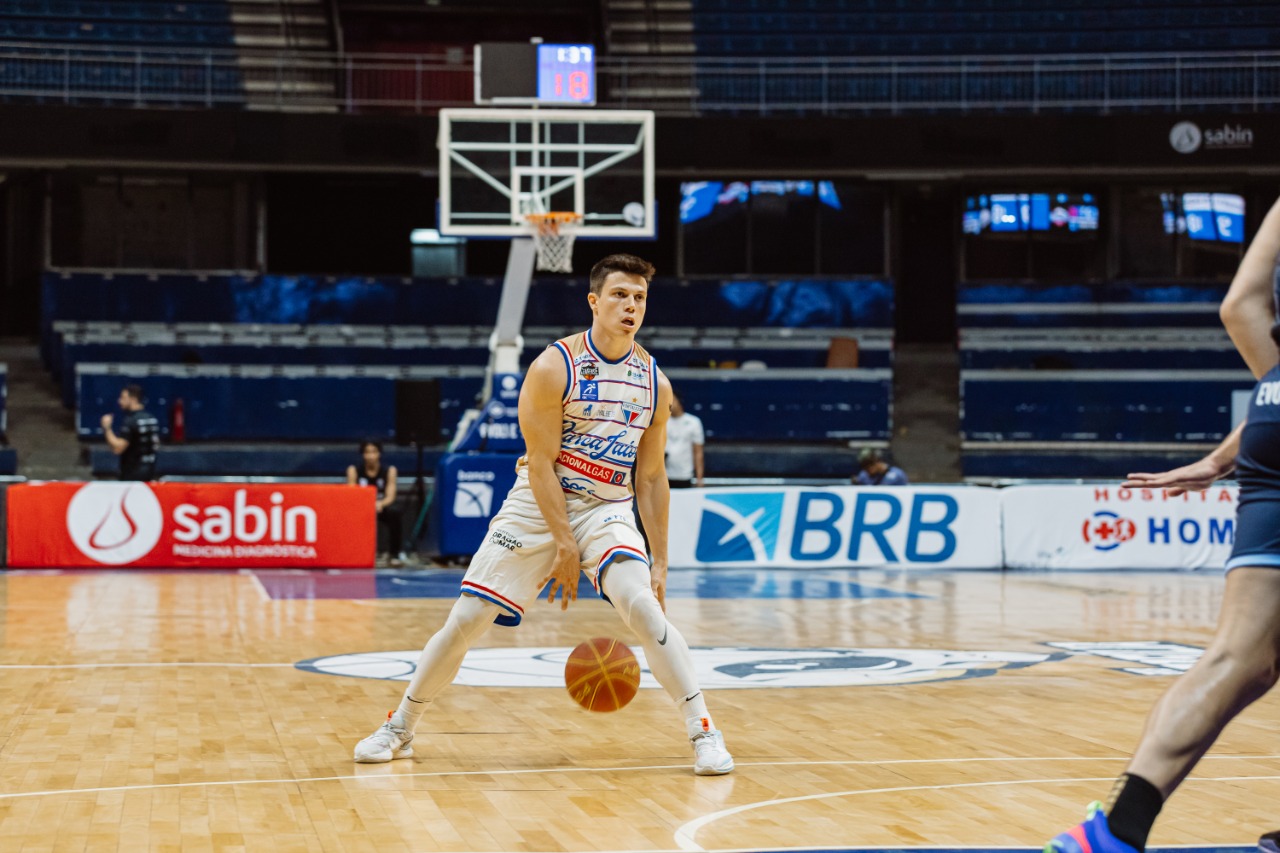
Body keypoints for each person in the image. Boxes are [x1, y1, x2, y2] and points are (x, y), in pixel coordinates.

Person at [353, 253, 734, 776]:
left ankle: (704, 732)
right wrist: (564, 544)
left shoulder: (655, 384)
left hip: (607, 507)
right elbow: (539, 466)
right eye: (620, 295)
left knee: (644, 608)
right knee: (467, 620)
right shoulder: (554, 367)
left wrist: (661, 560)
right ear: (594, 302)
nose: (631, 306)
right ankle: (400, 726)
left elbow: (650, 478)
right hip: (538, 505)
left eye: (639, 297)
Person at [1045, 197, 1280, 853]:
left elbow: (1239, 306)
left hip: (1271, 411)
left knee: (1246, 657)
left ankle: (1116, 828)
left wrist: (1218, 457)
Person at [347, 440, 405, 567]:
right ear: (363, 454)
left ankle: (394, 554)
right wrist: (366, 505)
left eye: (374, 452)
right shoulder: (354, 470)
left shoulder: (389, 470)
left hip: (380, 507)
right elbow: (351, 494)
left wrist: (380, 504)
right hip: (361, 508)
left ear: (379, 454)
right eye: (367, 452)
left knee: (394, 513)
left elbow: (390, 496)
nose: (371, 456)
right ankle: (353, 553)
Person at [100, 384, 160, 482]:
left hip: (132, 476)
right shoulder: (151, 419)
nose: (120, 401)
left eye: (123, 398)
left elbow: (118, 448)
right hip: (150, 474)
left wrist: (107, 428)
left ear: (133, 399)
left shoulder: (131, 421)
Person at [665, 392, 705, 488]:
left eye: (672, 400)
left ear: (680, 402)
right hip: (664, 475)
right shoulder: (662, 422)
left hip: (684, 475)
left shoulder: (693, 422)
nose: (670, 404)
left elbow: (698, 452)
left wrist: (699, 478)